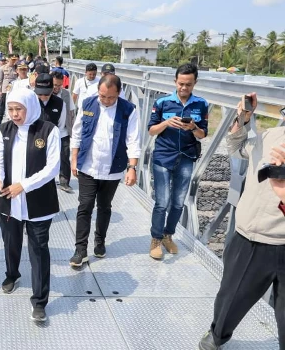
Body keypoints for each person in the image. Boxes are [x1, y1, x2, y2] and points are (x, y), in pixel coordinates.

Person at [198, 96, 285, 350]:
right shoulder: (269, 136)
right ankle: (218, 334)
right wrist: (243, 118)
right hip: (254, 238)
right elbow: (235, 146)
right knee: (231, 297)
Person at [0, 88, 60, 322]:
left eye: (19, 109)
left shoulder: (48, 130)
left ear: (30, 107)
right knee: (11, 242)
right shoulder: (4, 129)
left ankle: (39, 301)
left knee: (39, 249)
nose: (15, 114)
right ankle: (12, 274)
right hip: (8, 199)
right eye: (11, 109)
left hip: (38, 202)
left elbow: (52, 168)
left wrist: (24, 185)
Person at [69, 74, 141, 266]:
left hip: (113, 168)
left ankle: (99, 241)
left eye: (111, 97)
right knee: (84, 206)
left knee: (104, 206)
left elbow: (133, 140)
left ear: (119, 93)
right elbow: (77, 132)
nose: (106, 100)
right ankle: (80, 249)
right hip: (87, 165)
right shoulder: (87, 104)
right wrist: (74, 159)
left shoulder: (128, 110)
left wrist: (132, 167)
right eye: (103, 96)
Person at [148, 63, 208, 260]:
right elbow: (151, 130)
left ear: (195, 83)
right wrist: (166, 123)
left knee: (178, 203)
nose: (184, 88)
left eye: (188, 84)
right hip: (163, 156)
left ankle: (168, 235)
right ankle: (156, 239)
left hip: (186, 158)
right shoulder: (162, 102)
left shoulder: (202, 104)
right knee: (162, 202)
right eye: (181, 83)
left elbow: (203, 134)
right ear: (175, 81)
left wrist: (192, 127)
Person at [52, 71, 76, 192]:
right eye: (54, 85)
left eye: (59, 85)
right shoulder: (46, 94)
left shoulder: (66, 94)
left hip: (64, 131)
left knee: (65, 157)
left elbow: (72, 113)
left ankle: (64, 182)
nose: (56, 88)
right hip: (50, 132)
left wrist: (74, 131)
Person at [0, 53, 19, 121]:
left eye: (15, 59)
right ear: (8, 59)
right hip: (5, 89)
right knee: (2, 105)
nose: (13, 61)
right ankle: (0, 119)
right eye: (12, 59)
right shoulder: (3, 68)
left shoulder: (16, 68)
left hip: (14, 89)